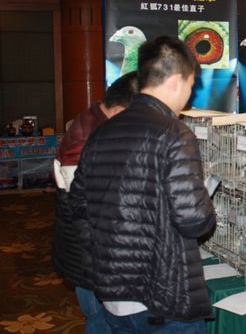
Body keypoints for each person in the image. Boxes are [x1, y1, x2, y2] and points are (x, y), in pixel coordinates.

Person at [70, 36, 216, 333]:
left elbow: (78, 204)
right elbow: (193, 220)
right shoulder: (175, 133)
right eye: (191, 85)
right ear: (175, 81)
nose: (189, 96)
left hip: (112, 292)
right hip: (162, 294)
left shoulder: (102, 132)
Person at [52, 71, 139, 334]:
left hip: (93, 248)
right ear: (122, 109)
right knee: (100, 319)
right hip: (90, 252)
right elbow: (85, 205)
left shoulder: (97, 122)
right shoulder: (86, 138)